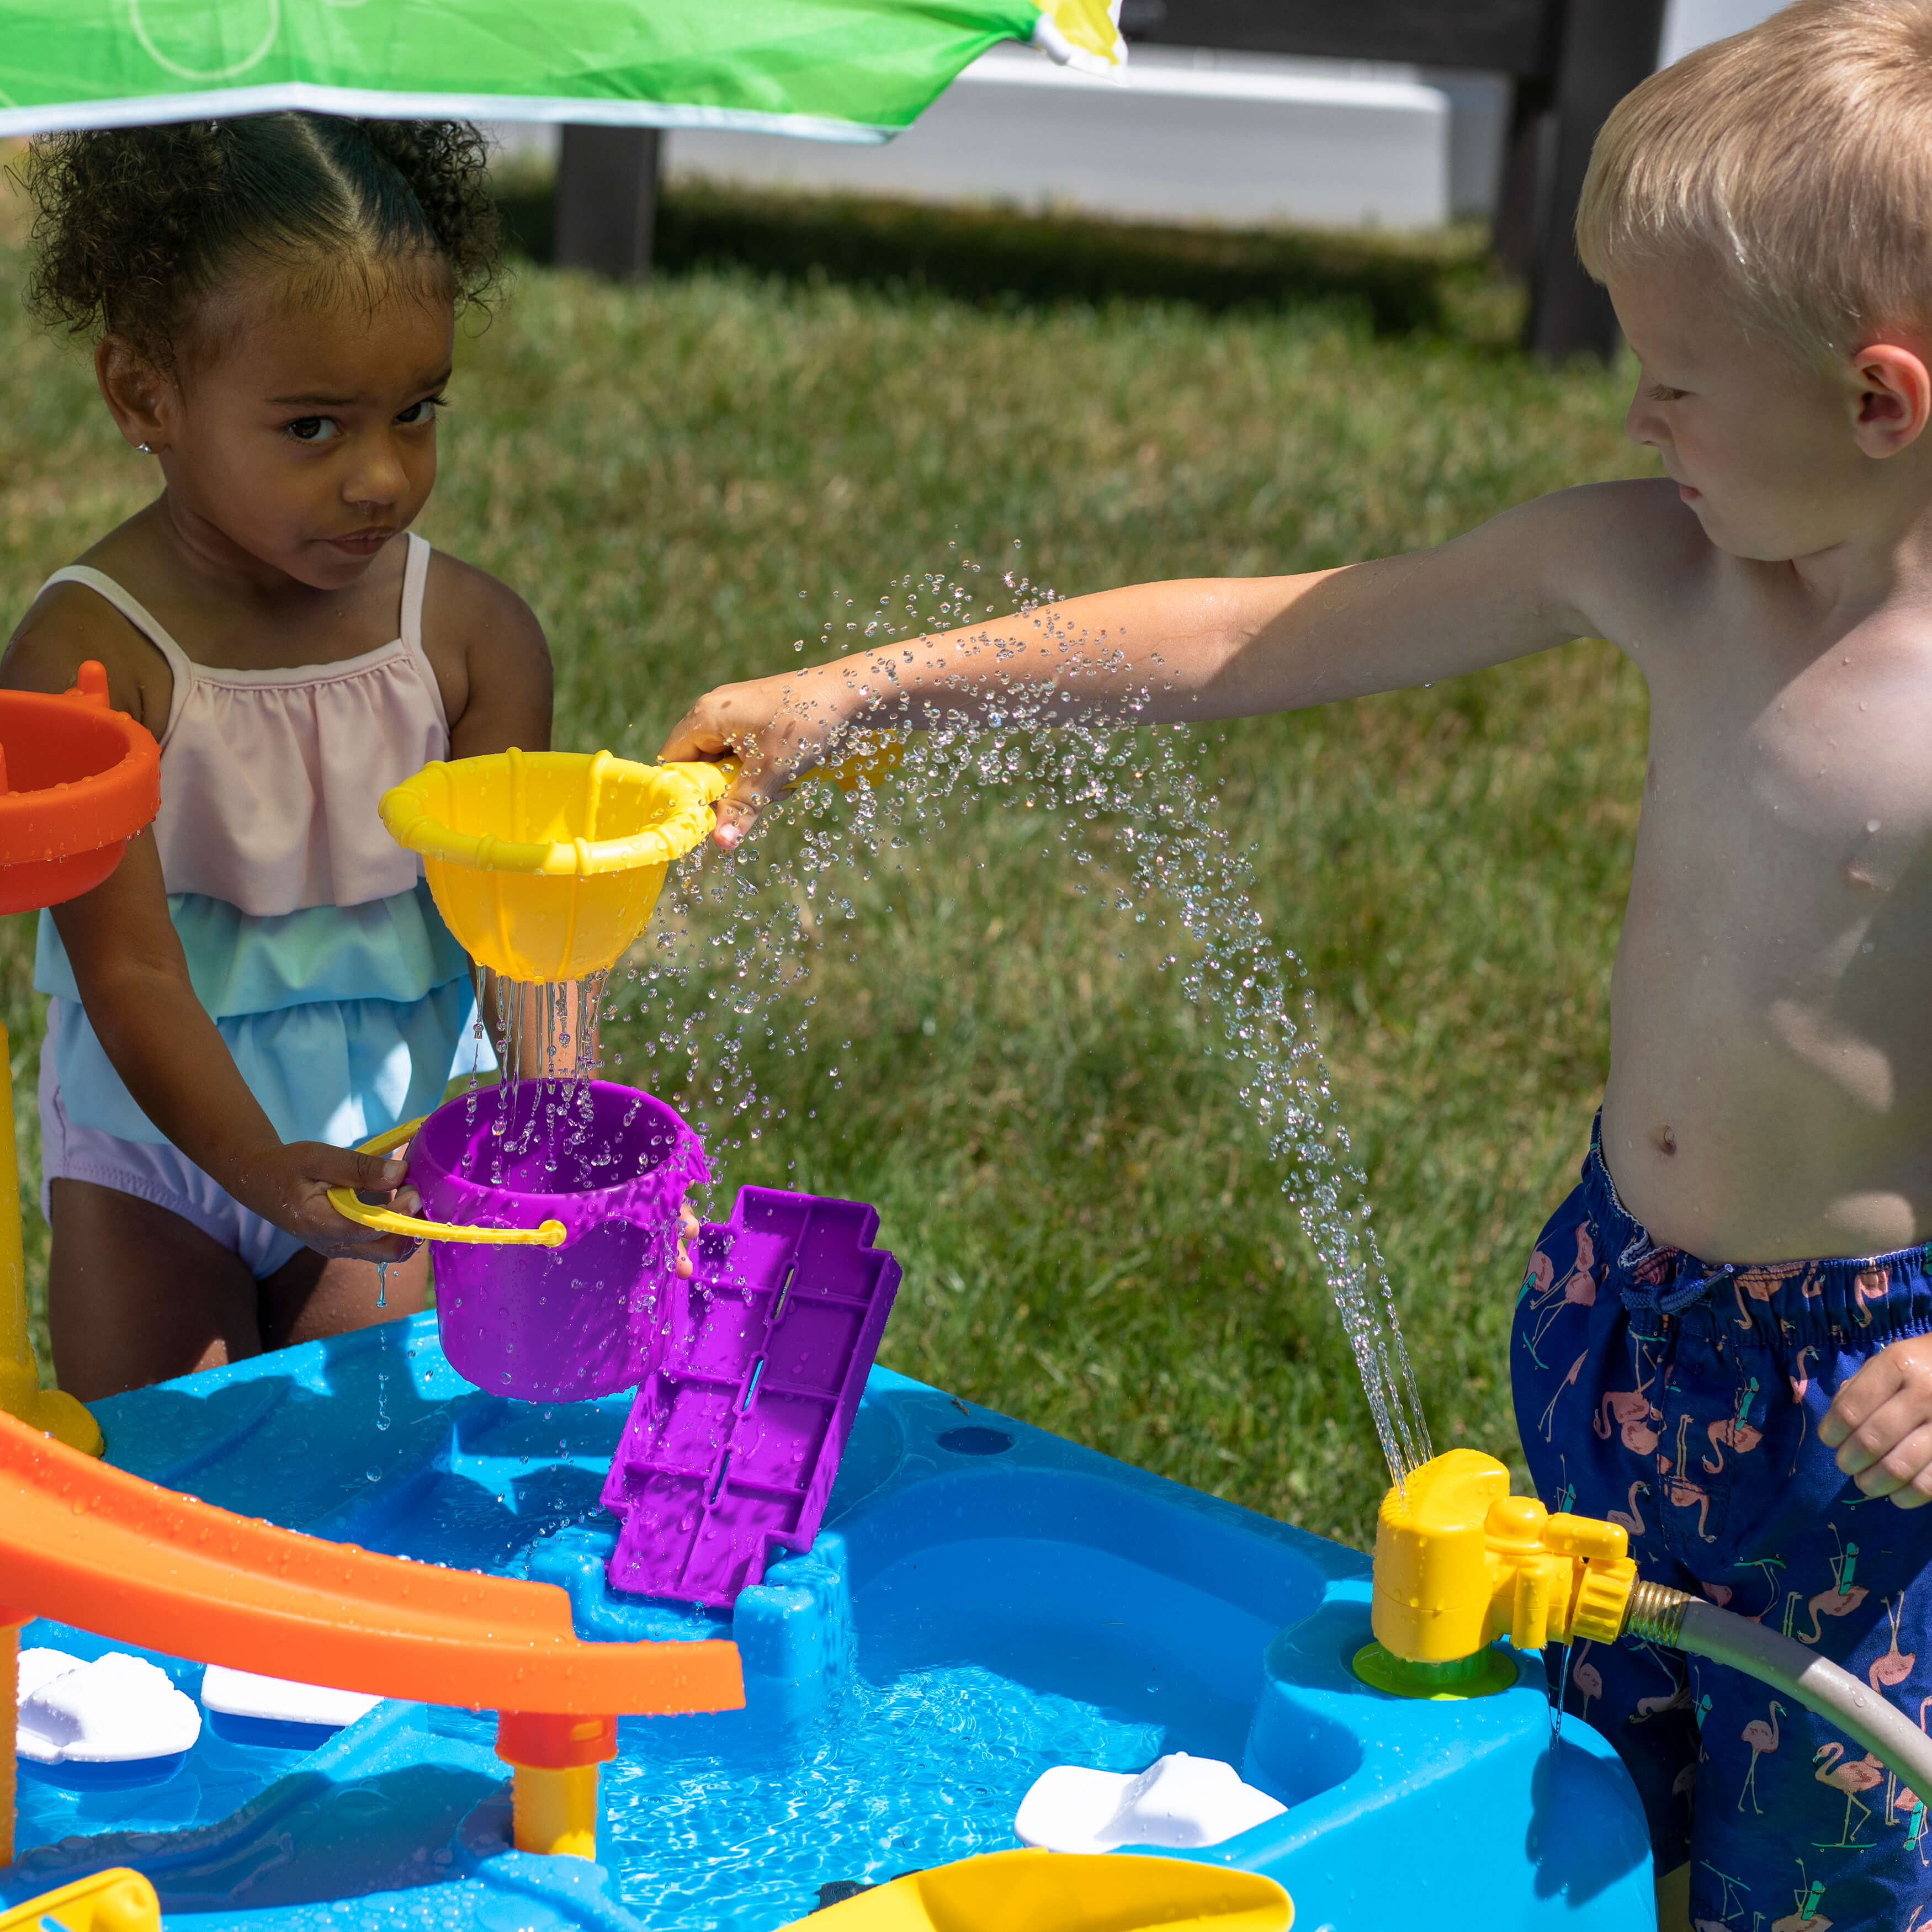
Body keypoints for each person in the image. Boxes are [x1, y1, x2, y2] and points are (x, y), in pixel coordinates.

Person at [660, 3, 1932, 1924]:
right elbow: (1274, 632)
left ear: (1879, 402)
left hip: (1861, 1409)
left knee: (1829, 1855)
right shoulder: (1668, 572)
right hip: (1615, 1312)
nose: (1631, 419)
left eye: (1674, 382)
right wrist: (871, 689)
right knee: (1588, 1809)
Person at [3, 115, 552, 1401]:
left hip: (395, 1131)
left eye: (416, 411)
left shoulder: (471, 642)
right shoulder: (88, 655)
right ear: (146, 394)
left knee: (369, 1468)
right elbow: (132, 971)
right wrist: (253, 1170)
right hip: (156, 1133)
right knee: (161, 1475)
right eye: (313, 427)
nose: (380, 475)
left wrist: (555, 1143)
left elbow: (520, 945)